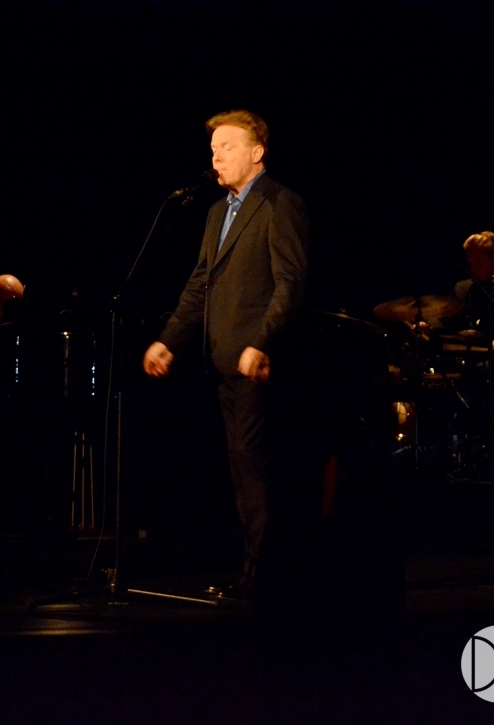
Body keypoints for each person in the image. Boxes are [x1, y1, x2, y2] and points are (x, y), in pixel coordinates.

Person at [143, 110, 308, 594]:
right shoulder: (218, 211)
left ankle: (266, 576)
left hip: (258, 363)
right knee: (241, 469)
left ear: (257, 152)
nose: (216, 157)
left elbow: (290, 283)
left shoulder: (279, 203)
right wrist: (168, 340)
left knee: (257, 468)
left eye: (227, 147)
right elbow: (201, 284)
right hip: (223, 362)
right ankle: (257, 572)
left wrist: (262, 342)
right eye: (213, 149)